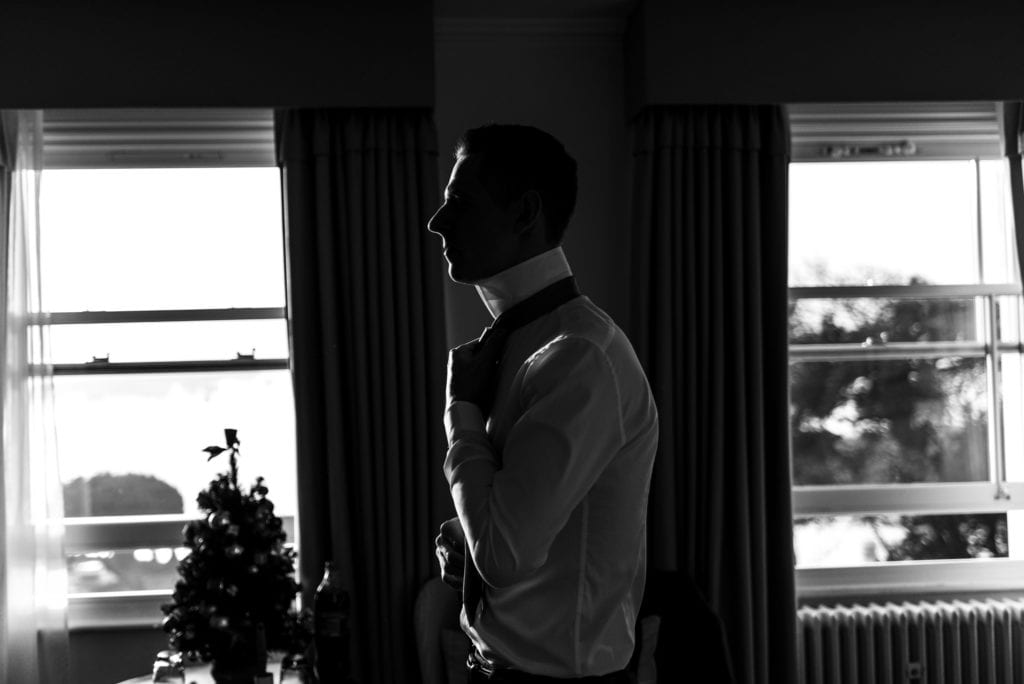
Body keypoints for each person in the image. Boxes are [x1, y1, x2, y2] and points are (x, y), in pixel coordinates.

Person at [428, 124, 658, 682]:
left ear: (525, 213)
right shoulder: (520, 346)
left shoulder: (580, 356)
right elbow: (520, 536)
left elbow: (502, 557)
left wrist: (460, 413)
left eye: (460, 201)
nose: (437, 221)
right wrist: (469, 541)